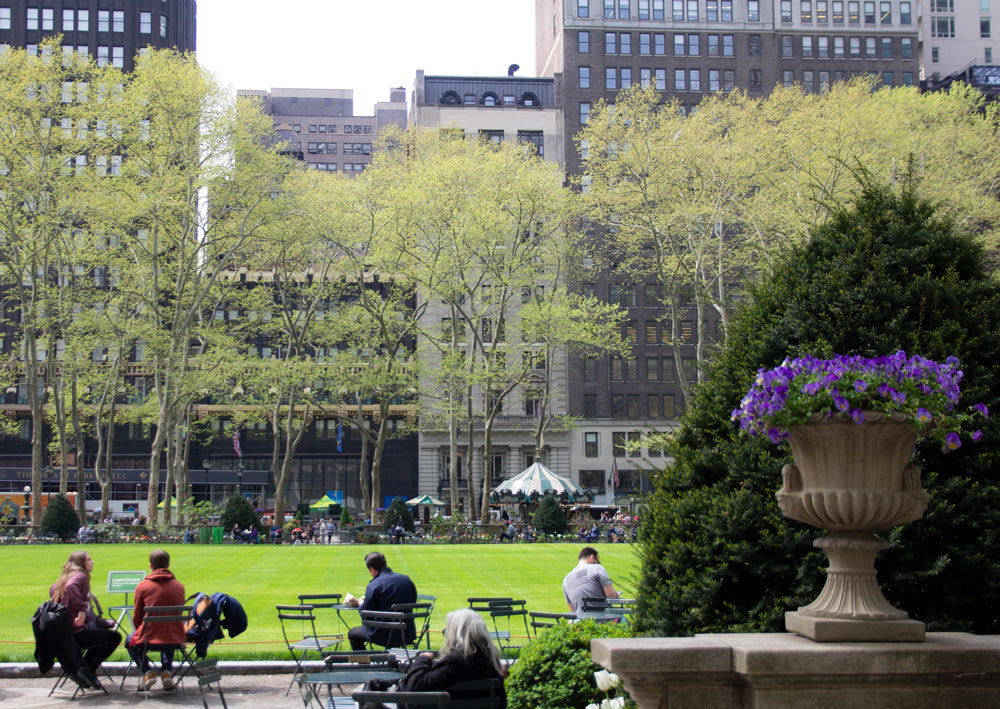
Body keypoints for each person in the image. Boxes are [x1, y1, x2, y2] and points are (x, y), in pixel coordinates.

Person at [381, 608, 507, 708]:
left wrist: (422, 659)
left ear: (455, 635)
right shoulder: (492, 663)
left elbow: (413, 690)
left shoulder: (454, 664)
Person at [49, 550, 122, 690]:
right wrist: (82, 610)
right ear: (81, 563)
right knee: (114, 637)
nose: (92, 562)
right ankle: (85, 668)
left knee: (102, 637)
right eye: (89, 559)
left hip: (64, 635)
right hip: (77, 633)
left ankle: (81, 668)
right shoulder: (80, 576)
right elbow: (72, 587)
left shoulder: (59, 581)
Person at [125, 549, 186, 692]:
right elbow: (178, 613)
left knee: (129, 641)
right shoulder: (179, 586)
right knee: (167, 630)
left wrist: (140, 629)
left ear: (150, 565)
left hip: (150, 637)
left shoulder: (142, 586)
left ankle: (147, 671)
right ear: (168, 564)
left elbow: (137, 617)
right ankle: (167, 671)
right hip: (175, 637)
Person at [345, 551, 417, 651]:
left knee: (353, 634)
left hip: (384, 634)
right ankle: (394, 663)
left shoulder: (374, 585)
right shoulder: (406, 580)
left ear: (372, 570)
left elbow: (366, 615)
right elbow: (412, 602)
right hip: (407, 632)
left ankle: (365, 664)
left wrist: (360, 603)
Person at [562, 546, 619, 615]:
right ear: (592, 557)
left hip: (581, 622)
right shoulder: (597, 568)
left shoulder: (566, 579)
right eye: (597, 561)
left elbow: (573, 610)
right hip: (604, 619)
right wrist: (616, 595)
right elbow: (612, 597)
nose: (598, 563)